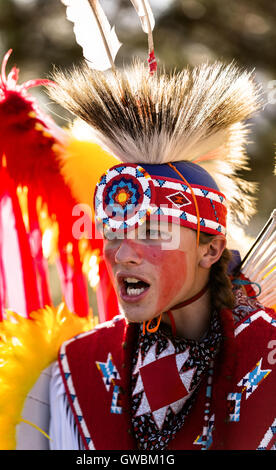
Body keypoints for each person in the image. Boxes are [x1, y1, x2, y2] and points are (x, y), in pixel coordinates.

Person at [47, 60, 276, 450]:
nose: (124, 254)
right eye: (112, 233)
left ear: (211, 250)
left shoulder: (266, 353)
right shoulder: (78, 367)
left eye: (152, 233)